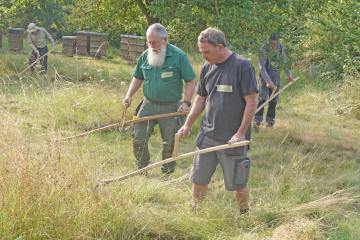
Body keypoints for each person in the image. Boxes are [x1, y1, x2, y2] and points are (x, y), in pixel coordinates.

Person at [178, 27, 258, 213]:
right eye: (201, 51)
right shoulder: (207, 68)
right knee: (198, 178)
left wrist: (240, 133)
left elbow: (251, 102)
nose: (203, 55)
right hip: (207, 136)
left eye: (206, 51)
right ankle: (195, 211)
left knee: (238, 182)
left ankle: (244, 214)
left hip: (233, 140)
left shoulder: (242, 66)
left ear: (220, 47)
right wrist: (187, 124)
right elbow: (200, 99)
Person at [123, 23, 196, 175]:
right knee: (138, 138)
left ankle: (167, 174)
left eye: (154, 42)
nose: (151, 45)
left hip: (171, 107)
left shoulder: (178, 56)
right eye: (148, 41)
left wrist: (186, 102)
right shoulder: (145, 56)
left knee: (169, 143)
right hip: (148, 105)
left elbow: (191, 81)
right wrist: (129, 95)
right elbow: (137, 77)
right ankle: (142, 169)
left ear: (165, 40)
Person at [254, 32, 293, 129]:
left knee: (273, 100)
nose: (274, 45)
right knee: (262, 99)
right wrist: (268, 81)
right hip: (264, 78)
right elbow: (262, 67)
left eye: (275, 42)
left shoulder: (280, 48)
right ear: (269, 41)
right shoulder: (263, 49)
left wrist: (289, 74)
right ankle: (257, 122)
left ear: (278, 41)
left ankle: (270, 122)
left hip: (276, 78)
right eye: (272, 42)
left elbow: (284, 61)